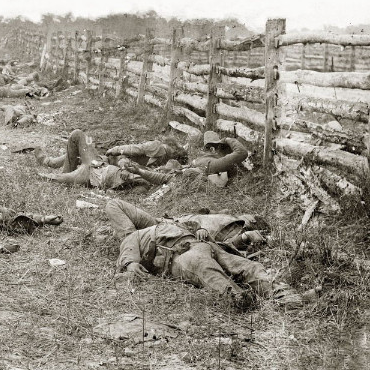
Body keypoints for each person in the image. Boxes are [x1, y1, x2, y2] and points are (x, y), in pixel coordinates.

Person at [104, 199, 301, 309]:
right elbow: (128, 242)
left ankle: (281, 293)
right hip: (177, 255)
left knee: (242, 265)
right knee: (203, 267)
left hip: (202, 243)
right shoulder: (136, 236)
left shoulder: (169, 223)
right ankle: (239, 298)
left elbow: (197, 228)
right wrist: (130, 263)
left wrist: (201, 231)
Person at [34, 129, 187, 190]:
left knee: (79, 135)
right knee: (84, 154)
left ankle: (52, 165)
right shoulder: (161, 167)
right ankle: (51, 164)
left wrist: (115, 150)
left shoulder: (159, 147)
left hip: (106, 164)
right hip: (108, 166)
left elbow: (134, 148)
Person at [124, 131, 248, 188]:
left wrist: (140, 172)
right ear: (213, 150)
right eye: (223, 149)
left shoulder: (198, 161)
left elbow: (164, 178)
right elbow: (242, 153)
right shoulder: (212, 163)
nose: (226, 153)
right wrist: (226, 140)